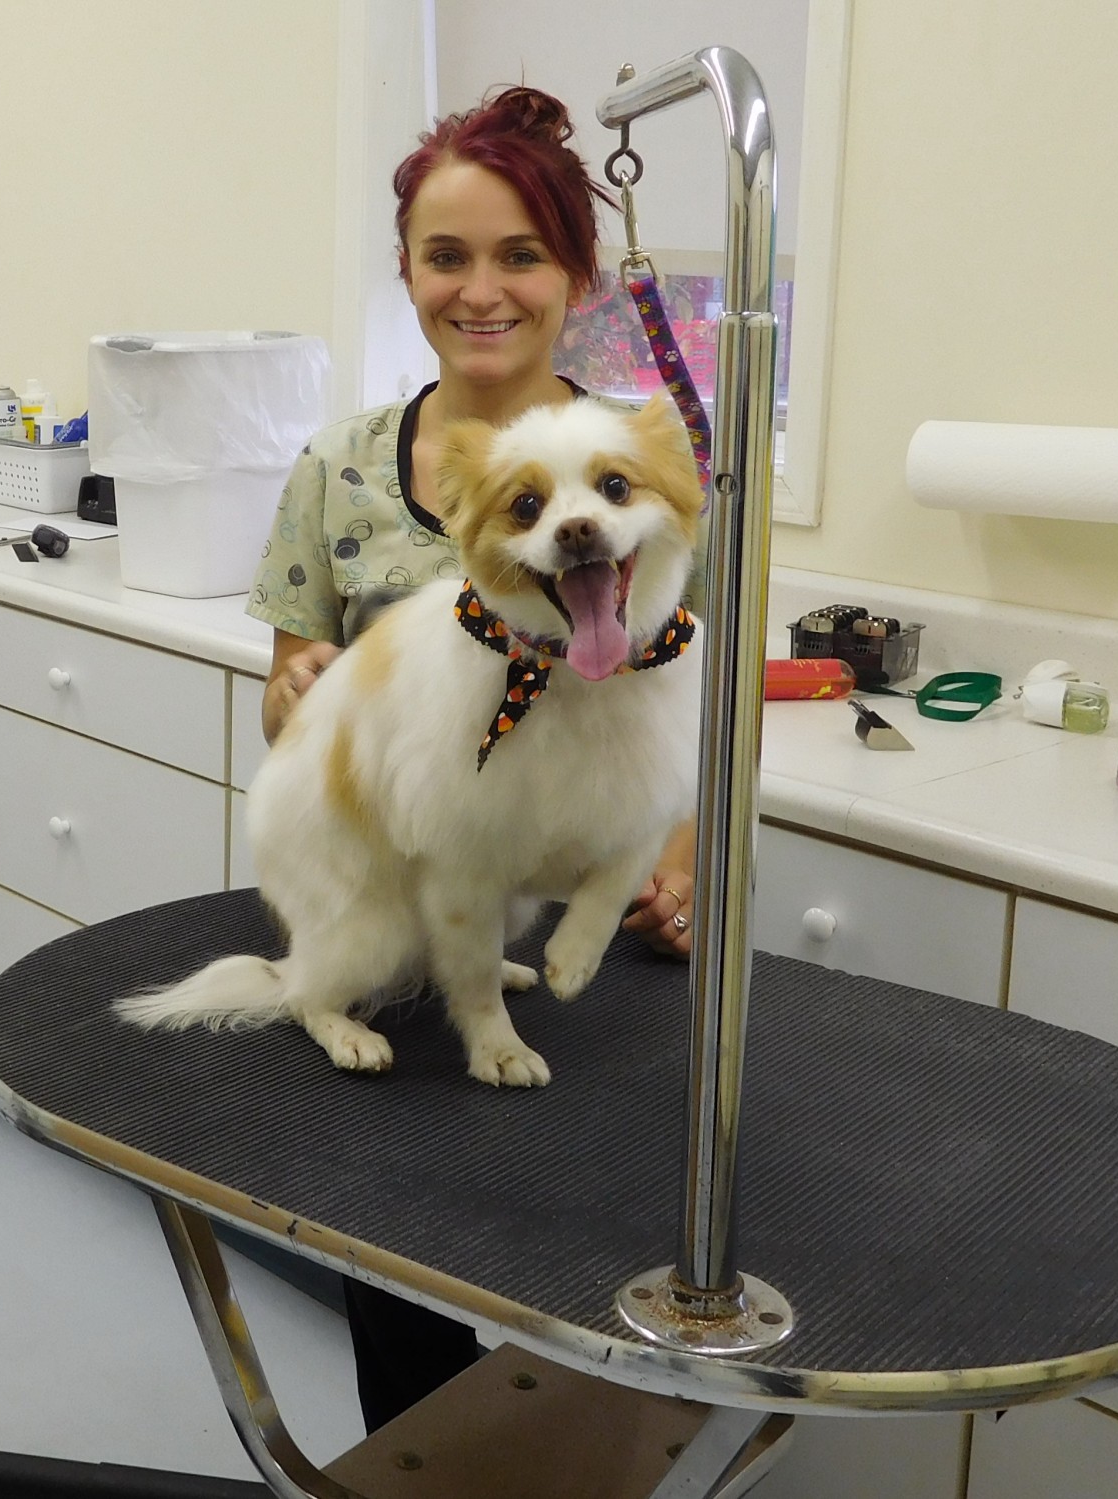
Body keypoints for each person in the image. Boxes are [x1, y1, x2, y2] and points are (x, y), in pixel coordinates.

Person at [245, 84, 704, 1430]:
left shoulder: (637, 468)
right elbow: (286, 714)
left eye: (520, 254)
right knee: (403, 1291)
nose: (483, 289)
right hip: (403, 906)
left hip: (583, 951)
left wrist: (665, 870)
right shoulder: (338, 467)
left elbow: (678, 711)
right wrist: (297, 688)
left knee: (575, 1293)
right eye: (447, 256)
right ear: (407, 272)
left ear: (577, 274)